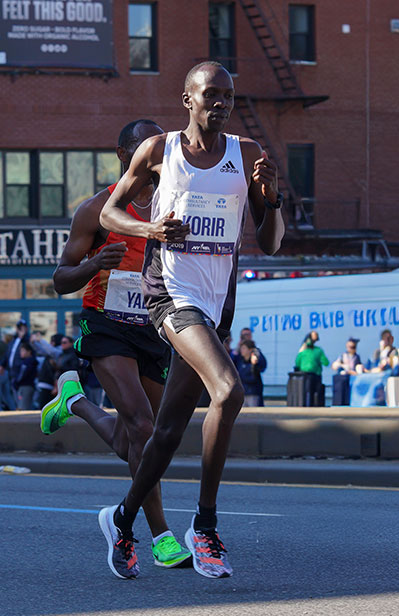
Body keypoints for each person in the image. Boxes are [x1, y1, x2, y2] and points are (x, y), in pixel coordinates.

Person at [88, 61, 284, 579]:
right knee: (228, 391)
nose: (219, 103)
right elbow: (110, 214)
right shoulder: (161, 151)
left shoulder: (246, 156)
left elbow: (270, 241)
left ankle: (123, 520)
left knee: (170, 429)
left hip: (217, 305)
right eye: (210, 95)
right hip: (170, 295)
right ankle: (206, 526)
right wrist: (150, 228)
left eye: (227, 96)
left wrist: (272, 197)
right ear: (188, 100)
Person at [42, 118, 191, 577]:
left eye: (160, 150)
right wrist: (93, 265)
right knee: (143, 427)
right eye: (145, 150)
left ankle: (77, 403)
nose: (155, 159)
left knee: (140, 438)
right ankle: (160, 535)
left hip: (154, 328)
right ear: (124, 155)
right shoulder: (96, 210)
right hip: (106, 326)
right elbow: (58, 281)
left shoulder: (176, 204)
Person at [233, 340, 267, 407]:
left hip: (252, 392)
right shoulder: (239, 360)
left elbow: (262, 366)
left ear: (250, 350)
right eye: (241, 348)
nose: (242, 350)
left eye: (244, 348)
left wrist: (255, 361)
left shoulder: (256, 360)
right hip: (242, 392)